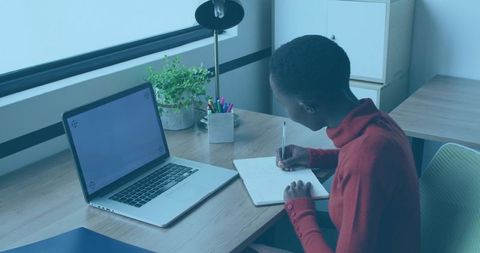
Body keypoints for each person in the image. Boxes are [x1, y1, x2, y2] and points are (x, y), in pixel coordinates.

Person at [252, 35, 420, 253]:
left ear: (309, 106)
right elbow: (368, 161)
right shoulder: (380, 123)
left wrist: (301, 210)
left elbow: (363, 165)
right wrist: (314, 156)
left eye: (283, 103)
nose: (285, 110)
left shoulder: (363, 162)